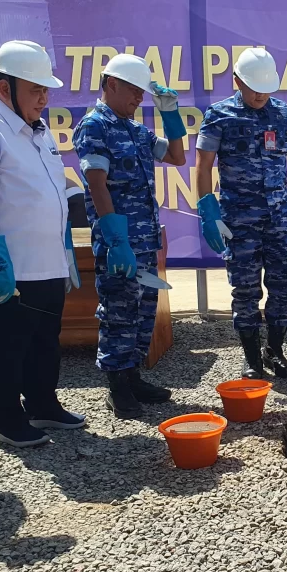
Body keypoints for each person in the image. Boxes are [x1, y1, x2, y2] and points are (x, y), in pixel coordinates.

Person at [0, 40, 85, 447]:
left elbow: (51, 190)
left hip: (43, 262)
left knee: (43, 341)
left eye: (46, 90)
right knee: (3, 345)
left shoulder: (37, 130)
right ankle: (7, 418)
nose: (43, 98)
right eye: (35, 89)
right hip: (2, 266)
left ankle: (43, 404)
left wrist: (63, 247)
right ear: (5, 87)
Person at [73, 53, 187, 418]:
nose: (139, 98)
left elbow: (177, 157)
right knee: (119, 312)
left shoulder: (136, 130)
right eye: (134, 91)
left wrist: (170, 115)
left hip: (145, 239)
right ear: (111, 84)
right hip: (118, 242)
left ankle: (133, 376)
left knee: (143, 311)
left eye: (142, 92)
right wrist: (116, 240)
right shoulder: (95, 126)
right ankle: (117, 386)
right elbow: (96, 184)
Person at [195, 48, 287, 380]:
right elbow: (203, 166)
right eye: (253, 88)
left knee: (284, 287)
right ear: (237, 81)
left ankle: (274, 351)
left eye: (266, 88)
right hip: (239, 220)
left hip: (278, 219)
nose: (260, 95)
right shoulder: (219, 115)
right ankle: (251, 358)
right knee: (245, 290)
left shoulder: (285, 114)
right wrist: (209, 212)